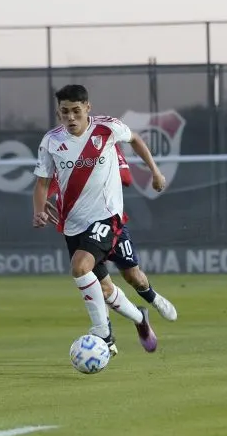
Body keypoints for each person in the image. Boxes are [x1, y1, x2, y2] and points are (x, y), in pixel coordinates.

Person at [32, 84, 167, 356]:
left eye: (76, 111)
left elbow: (136, 140)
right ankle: (141, 318)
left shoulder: (107, 128)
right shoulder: (51, 141)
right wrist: (38, 210)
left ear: (87, 108)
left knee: (80, 267)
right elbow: (42, 184)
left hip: (107, 217)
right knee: (105, 289)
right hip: (72, 223)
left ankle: (102, 333)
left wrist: (155, 172)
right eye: (64, 112)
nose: (70, 117)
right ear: (58, 113)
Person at [45, 144, 178, 324]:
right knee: (103, 288)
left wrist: (94, 170)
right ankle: (116, 332)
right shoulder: (63, 150)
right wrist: (44, 198)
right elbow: (48, 184)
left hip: (109, 222)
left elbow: (126, 178)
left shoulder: (107, 144)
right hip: (80, 228)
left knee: (134, 277)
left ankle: (153, 298)